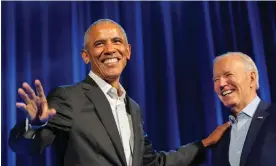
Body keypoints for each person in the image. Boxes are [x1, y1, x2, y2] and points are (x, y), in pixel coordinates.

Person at [9, 18, 230, 166]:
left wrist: (205, 144)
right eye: (99, 44)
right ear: (86, 56)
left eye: (116, 41)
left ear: (128, 51)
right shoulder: (69, 98)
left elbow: (152, 162)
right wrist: (36, 125)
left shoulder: (132, 108)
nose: (110, 49)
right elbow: (28, 147)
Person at [211, 52, 276, 166]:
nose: (221, 84)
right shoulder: (221, 137)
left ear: (251, 78)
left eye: (228, 75)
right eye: (216, 79)